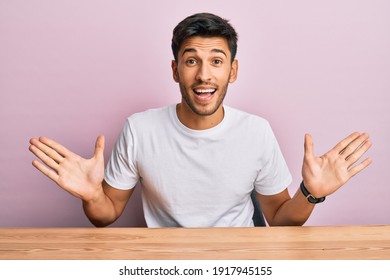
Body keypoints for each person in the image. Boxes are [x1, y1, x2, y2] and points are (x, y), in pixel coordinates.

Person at [29, 13, 372, 228]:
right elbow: (105, 215)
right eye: (191, 61)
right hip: (164, 266)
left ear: (232, 71)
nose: (204, 75)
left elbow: (281, 218)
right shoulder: (140, 129)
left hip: (241, 263)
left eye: (217, 61)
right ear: (175, 70)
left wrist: (310, 193)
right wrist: (91, 196)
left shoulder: (256, 132)